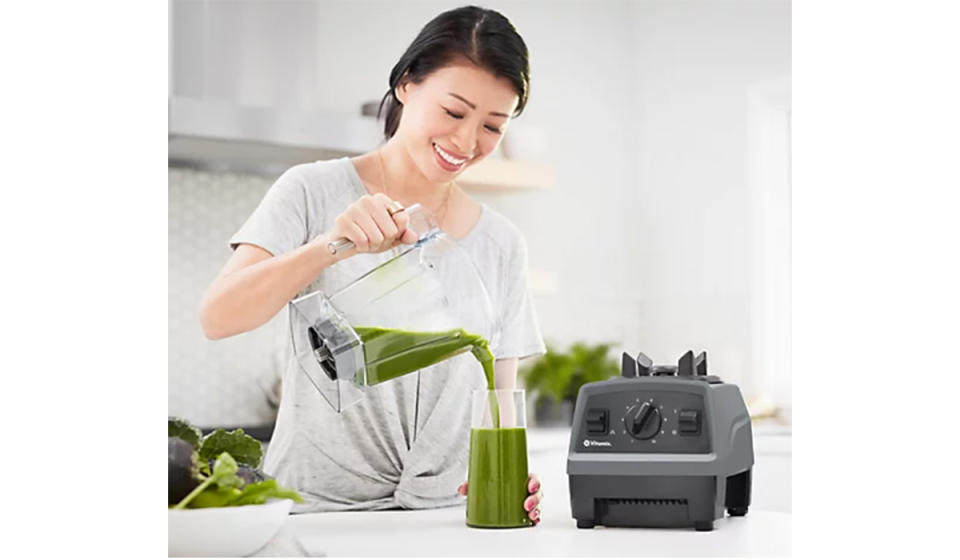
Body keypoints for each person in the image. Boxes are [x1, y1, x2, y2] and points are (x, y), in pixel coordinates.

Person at [199, 5, 545, 523]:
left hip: (449, 516)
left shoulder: (501, 243)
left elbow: (498, 398)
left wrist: (510, 474)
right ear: (407, 84)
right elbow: (218, 317)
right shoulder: (312, 191)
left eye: (493, 126)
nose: (468, 142)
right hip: (320, 513)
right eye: (454, 112)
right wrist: (332, 245)